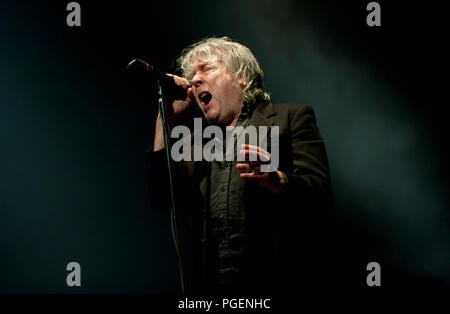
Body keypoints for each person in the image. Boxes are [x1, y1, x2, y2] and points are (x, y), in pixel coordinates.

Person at [147, 37, 332, 295]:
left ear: (241, 76)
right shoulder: (196, 145)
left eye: (206, 69)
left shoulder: (291, 118)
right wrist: (165, 117)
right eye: (192, 75)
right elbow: (161, 197)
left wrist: (277, 179)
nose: (195, 80)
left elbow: (320, 194)